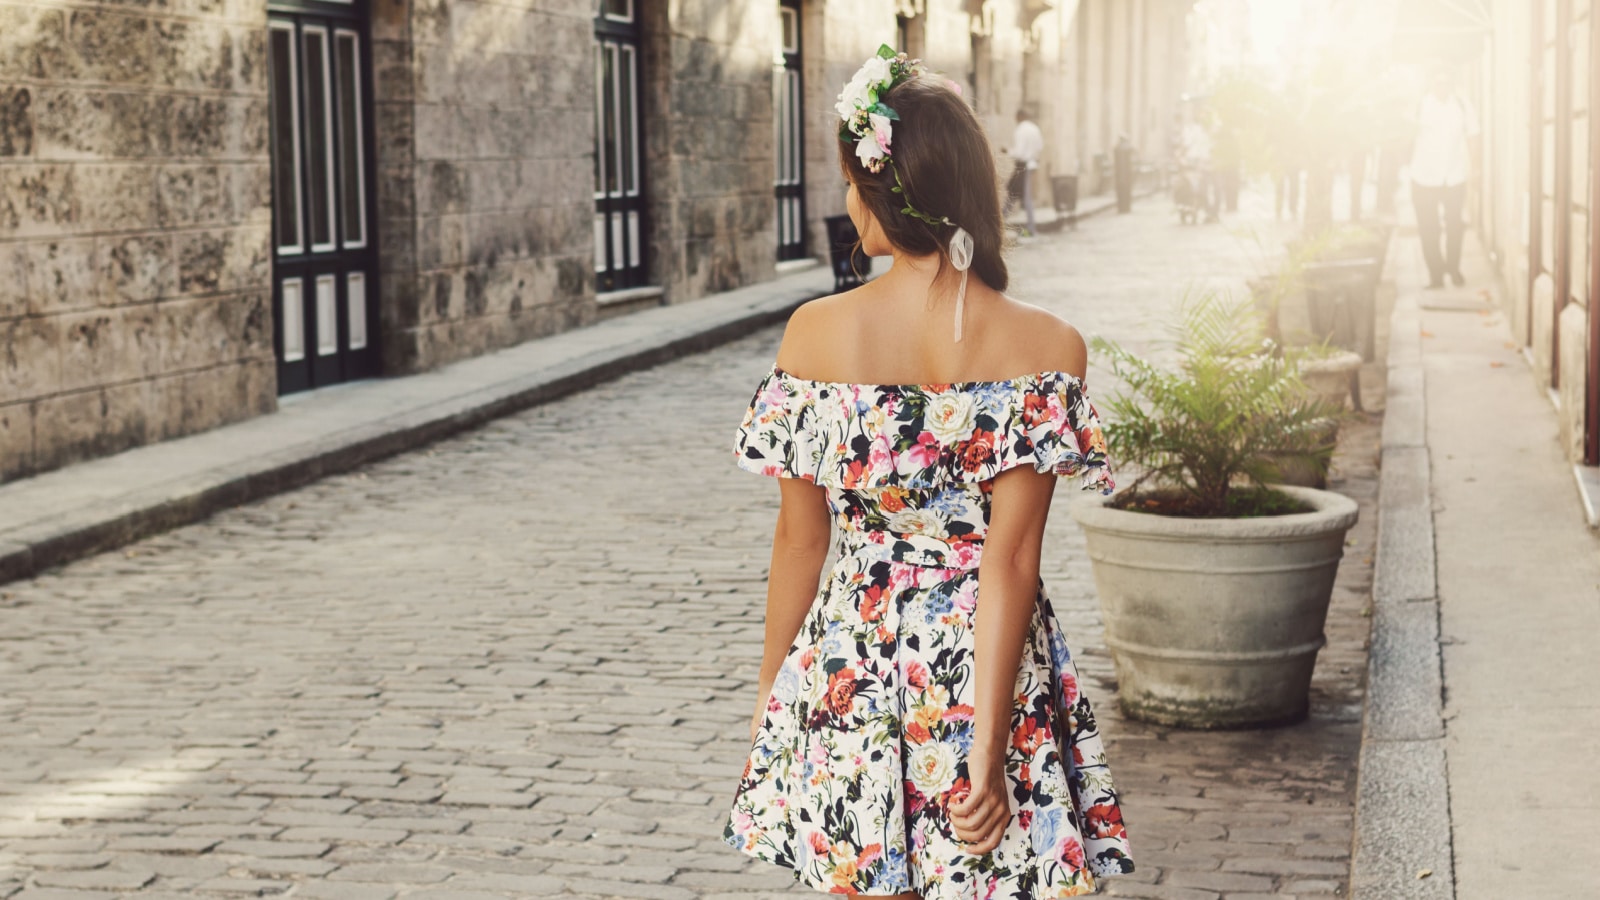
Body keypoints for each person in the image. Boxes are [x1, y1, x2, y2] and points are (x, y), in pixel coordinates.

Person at [722, 47, 1136, 898]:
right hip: (983, 669)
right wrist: (984, 747)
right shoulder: (1049, 349)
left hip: (853, 657)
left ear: (884, 191)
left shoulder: (815, 335)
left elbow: (802, 541)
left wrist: (777, 697)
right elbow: (1009, 561)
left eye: (850, 181)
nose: (844, 201)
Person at [1410, 66, 1479, 288]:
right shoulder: (1420, 106)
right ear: (1431, 83)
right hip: (1423, 176)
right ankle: (1436, 274)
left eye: (1446, 82)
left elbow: (1473, 135)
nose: (1442, 87)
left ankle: (1453, 268)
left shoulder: (1461, 104)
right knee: (1428, 228)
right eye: (1438, 82)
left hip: (1454, 175)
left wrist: (1476, 168)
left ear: (1451, 84)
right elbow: (1406, 136)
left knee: (1455, 226)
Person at [1006, 107, 1044, 236]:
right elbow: (1040, 147)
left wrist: (1008, 152)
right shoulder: (1035, 129)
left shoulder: (1021, 129)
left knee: (1018, 195)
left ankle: (1031, 228)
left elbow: (1020, 152)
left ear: (1020, 116)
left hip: (1023, 165)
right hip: (1032, 165)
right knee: (1015, 193)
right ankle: (1030, 227)